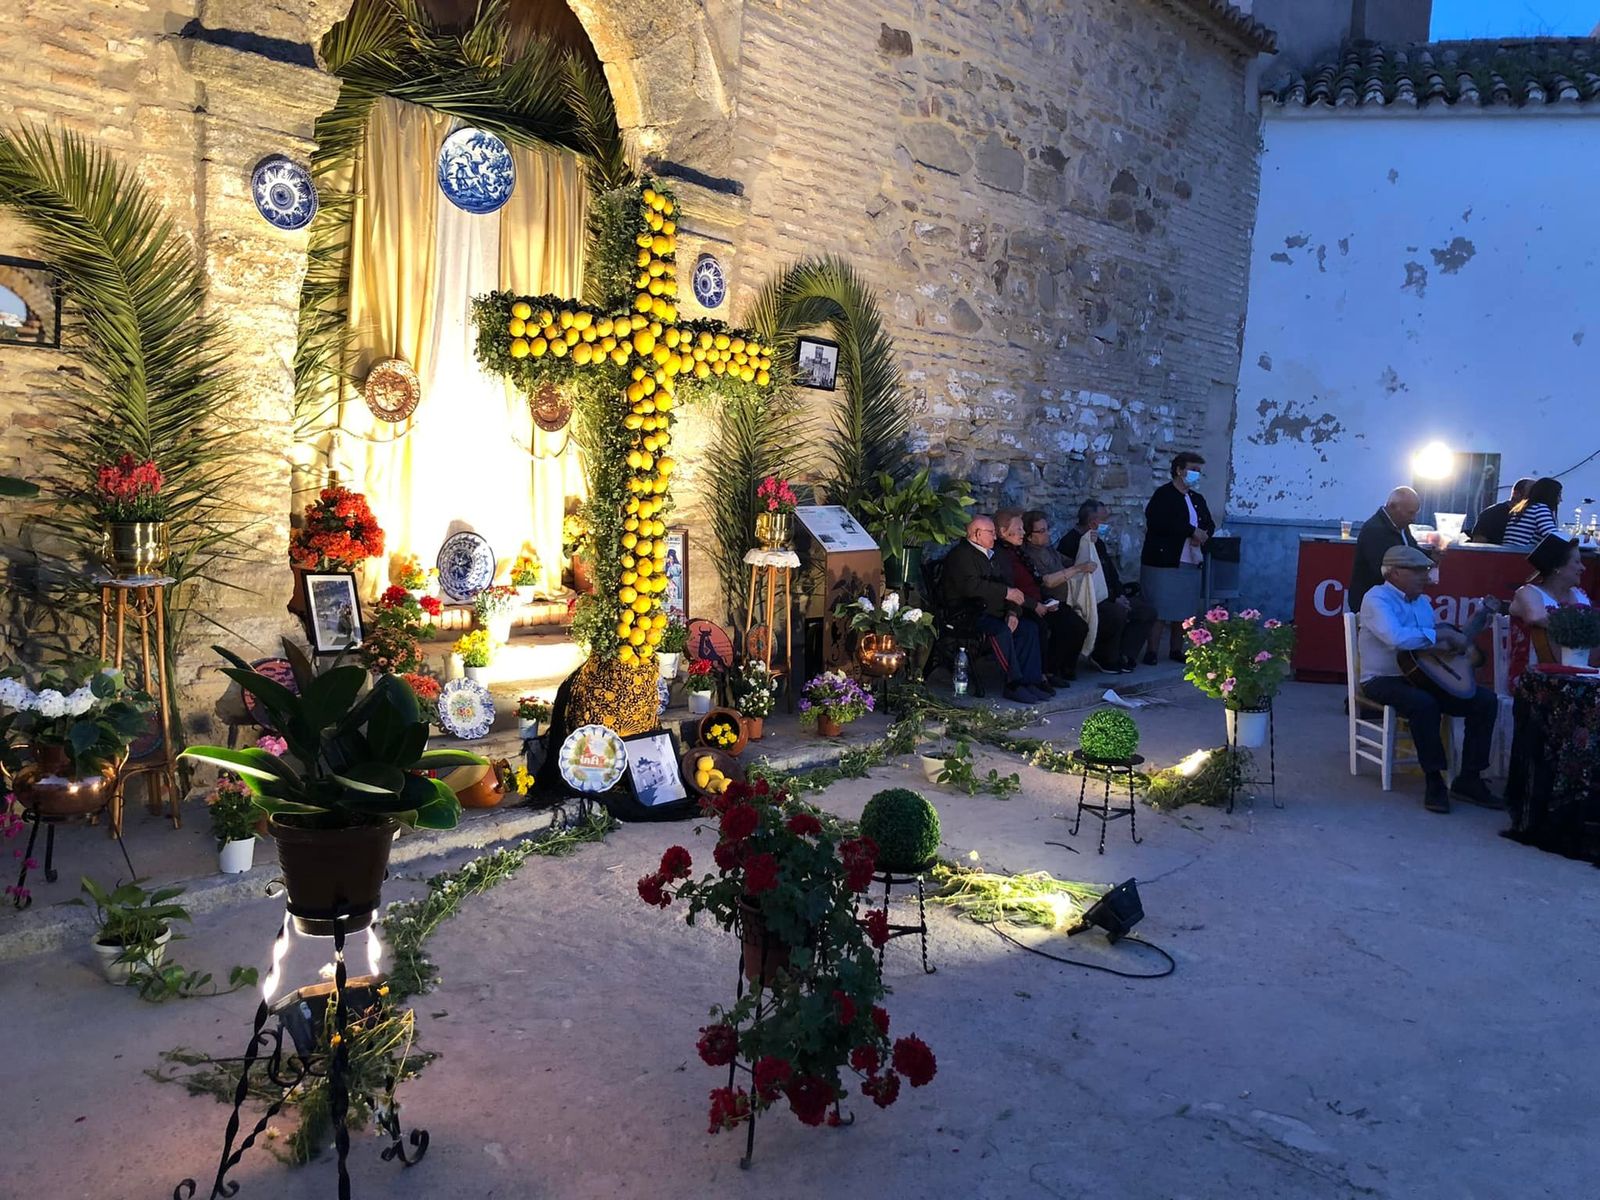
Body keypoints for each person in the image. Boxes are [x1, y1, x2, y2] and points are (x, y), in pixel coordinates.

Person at [1358, 545, 1500, 813]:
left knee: (1486, 701)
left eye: (1427, 570)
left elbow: (1432, 639)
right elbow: (1397, 638)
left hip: (1423, 676)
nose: (1426, 576)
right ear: (1395, 573)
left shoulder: (1422, 602)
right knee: (1424, 704)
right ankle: (1434, 779)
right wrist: (1443, 637)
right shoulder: (1376, 599)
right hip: (1382, 679)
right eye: (1418, 571)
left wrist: (1456, 641)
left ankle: (1469, 778)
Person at [938, 515, 1050, 703]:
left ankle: (1030, 681)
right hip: (969, 614)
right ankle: (1014, 683)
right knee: (1000, 632)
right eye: (991, 533)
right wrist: (1005, 593)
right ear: (976, 533)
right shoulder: (961, 555)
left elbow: (1009, 586)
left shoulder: (994, 555)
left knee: (1028, 628)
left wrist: (1013, 612)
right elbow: (971, 587)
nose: (995, 537)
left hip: (996, 611)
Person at [1049, 502, 1156, 673]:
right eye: (1104, 520)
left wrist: (1120, 595)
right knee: (1115, 613)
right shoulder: (1070, 543)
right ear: (1092, 522)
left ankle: (1125, 654)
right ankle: (1104, 656)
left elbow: (1111, 574)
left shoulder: (1098, 542)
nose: (1108, 524)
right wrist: (1114, 600)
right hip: (1090, 599)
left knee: (1146, 611)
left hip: (1111, 595)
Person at [993, 508, 1087, 686]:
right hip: (1022, 605)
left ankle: (1057, 669)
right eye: (1019, 529)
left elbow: (1034, 579)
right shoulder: (1003, 555)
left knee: (1075, 622)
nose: (1022, 533)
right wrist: (1034, 604)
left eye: (1022, 529)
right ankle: (1043, 674)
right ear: (1003, 532)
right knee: (1042, 626)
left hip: (1037, 599)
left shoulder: (1018, 551)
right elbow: (1010, 587)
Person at [1140, 451, 1215, 665]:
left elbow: (1208, 523)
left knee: (1183, 609)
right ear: (1180, 470)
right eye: (1193, 470)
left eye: (1199, 472)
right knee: (1160, 607)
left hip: (1190, 560)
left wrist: (1203, 534)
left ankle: (1176, 649)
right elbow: (1159, 522)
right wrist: (1191, 531)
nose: (1196, 475)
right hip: (1164, 560)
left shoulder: (1196, 498)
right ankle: (1152, 650)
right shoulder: (1164, 495)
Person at [1508, 533, 1593, 682]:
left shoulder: (1580, 595)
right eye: (1577, 562)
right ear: (1557, 568)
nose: (1583, 568)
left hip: (1578, 675)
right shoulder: (1528, 592)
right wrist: (1581, 627)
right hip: (1531, 678)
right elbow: (1536, 617)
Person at [1349, 486, 1422, 613]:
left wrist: (1431, 556)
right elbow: (1385, 570)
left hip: (1393, 601)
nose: (1413, 519)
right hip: (1374, 603)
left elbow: (1413, 553)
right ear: (1392, 507)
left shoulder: (1401, 526)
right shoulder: (1375, 531)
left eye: (1415, 513)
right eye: (1410, 513)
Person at [1466, 477, 1533, 545]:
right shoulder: (1491, 514)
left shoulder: (1532, 515)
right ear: (1516, 494)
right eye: (1531, 492)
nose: (1535, 495)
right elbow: (1478, 545)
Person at [1502, 476, 1563, 548]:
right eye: (1558, 495)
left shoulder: (1521, 508)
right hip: (1522, 554)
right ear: (1550, 495)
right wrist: (1574, 543)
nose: (1560, 500)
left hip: (1510, 553)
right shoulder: (1540, 509)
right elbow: (1552, 536)